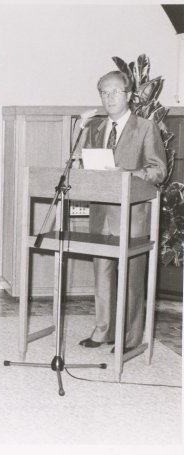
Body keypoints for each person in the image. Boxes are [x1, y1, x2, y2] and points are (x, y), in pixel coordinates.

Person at [79, 70, 166, 351]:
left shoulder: (146, 127)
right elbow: (87, 167)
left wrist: (126, 174)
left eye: (115, 91)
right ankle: (102, 331)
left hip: (133, 216)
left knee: (131, 278)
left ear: (129, 95)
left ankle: (130, 338)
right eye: (104, 93)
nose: (109, 98)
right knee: (102, 274)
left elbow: (158, 170)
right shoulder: (95, 128)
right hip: (101, 213)